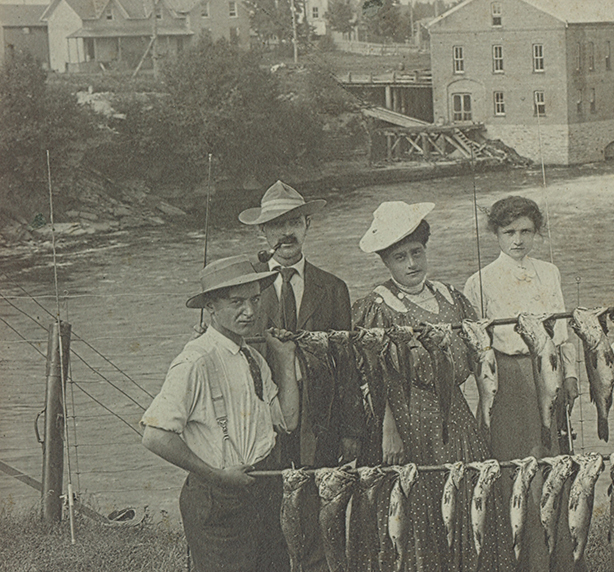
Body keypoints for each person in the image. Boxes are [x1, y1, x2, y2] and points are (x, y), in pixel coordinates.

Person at [352, 201, 511, 571]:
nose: (411, 264)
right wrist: (389, 430)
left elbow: (479, 357)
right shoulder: (378, 305)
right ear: (385, 263)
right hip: (406, 420)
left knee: (468, 499)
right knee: (414, 504)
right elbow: (374, 378)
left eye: (416, 253)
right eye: (399, 258)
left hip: (454, 416)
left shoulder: (452, 297)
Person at [141, 256, 299, 572]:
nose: (250, 311)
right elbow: (155, 436)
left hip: (262, 488)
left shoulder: (254, 357)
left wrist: (285, 358)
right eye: (236, 302)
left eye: (255, 300)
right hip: (218, 496)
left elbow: (288, 421)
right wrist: (217, 476)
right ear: (211, 307)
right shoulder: (195, 361)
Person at [463, 195, 579, 571]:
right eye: (509, 231)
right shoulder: (479, 281)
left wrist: (572, 375)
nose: (518, 240)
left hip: (546, 373)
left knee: (550, 464)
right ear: (494, 233)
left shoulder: (550, 272)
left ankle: (554, 559)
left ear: (537, 232)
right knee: (515, 471)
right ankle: (516, 561)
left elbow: (561, 335)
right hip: (506, 380)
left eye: (526, 231)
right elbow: (476, 348)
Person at [239, 180, 360, 471]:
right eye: (276, 225)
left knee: (315, 501)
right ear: (262, 231)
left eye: (294, 222)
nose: (286, 233)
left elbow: (346, 364)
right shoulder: (242, 285)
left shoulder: (332, 288)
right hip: (258, 413)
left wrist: (351, 430)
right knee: (265, 501)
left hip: (319, 418)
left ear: (307, 224)